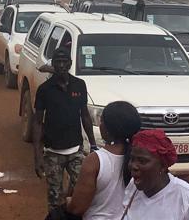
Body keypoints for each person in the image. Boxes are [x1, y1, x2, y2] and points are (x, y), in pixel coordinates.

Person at [34, 48, 99, 212]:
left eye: (65, 62)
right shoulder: (44, 89)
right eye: (58, 62)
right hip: (52, 152)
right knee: (54, 199)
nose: (62, 65)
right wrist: (37, 155)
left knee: (82, 192)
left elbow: (85, 116)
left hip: (76, 150)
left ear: (70, 63)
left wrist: (93, 145)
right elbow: (37, 123)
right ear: (53, 64)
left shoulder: (79, 85)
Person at [62, 101, 142, 220]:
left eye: (102, 121)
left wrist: (68, 201)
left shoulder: (96, 160)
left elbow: (77, 208)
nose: (100, 124)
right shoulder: (143, 158)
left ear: (108, 128)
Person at [121, 129, 189, 220]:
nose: (133, 166)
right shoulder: (133, 186)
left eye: (142, 161)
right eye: (132, 159)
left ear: (163, 166)